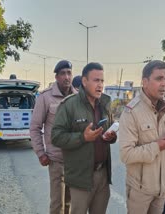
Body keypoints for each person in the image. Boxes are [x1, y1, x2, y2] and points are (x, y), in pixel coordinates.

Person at [52, 62, 117, 214]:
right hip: (81, 177)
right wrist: (83, 137)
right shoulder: (69, 105)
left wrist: (111, 137)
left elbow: (109, 130)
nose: (100, 85)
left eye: (102, 81)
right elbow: (56, 137)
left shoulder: (105, 104)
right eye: (96, 80)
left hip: (103, 175)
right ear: (84, 81)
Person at [119, 60, 165, 214]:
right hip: (140, 189)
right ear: (145, 82)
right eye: (159, 79)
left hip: (162, 186)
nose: (164, 84)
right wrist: (157, 146)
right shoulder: (131, 112)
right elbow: (126, 154)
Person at [30, 60, 76, 214]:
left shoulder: (78, 97)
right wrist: (40, 153)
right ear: (56, 77)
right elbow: (35, 127)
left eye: (69, 73)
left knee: (70, 203)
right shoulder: (45, 97)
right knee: (57, 205)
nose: (66, 77)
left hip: (75, 160)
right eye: (62, 73)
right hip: (56, 160)